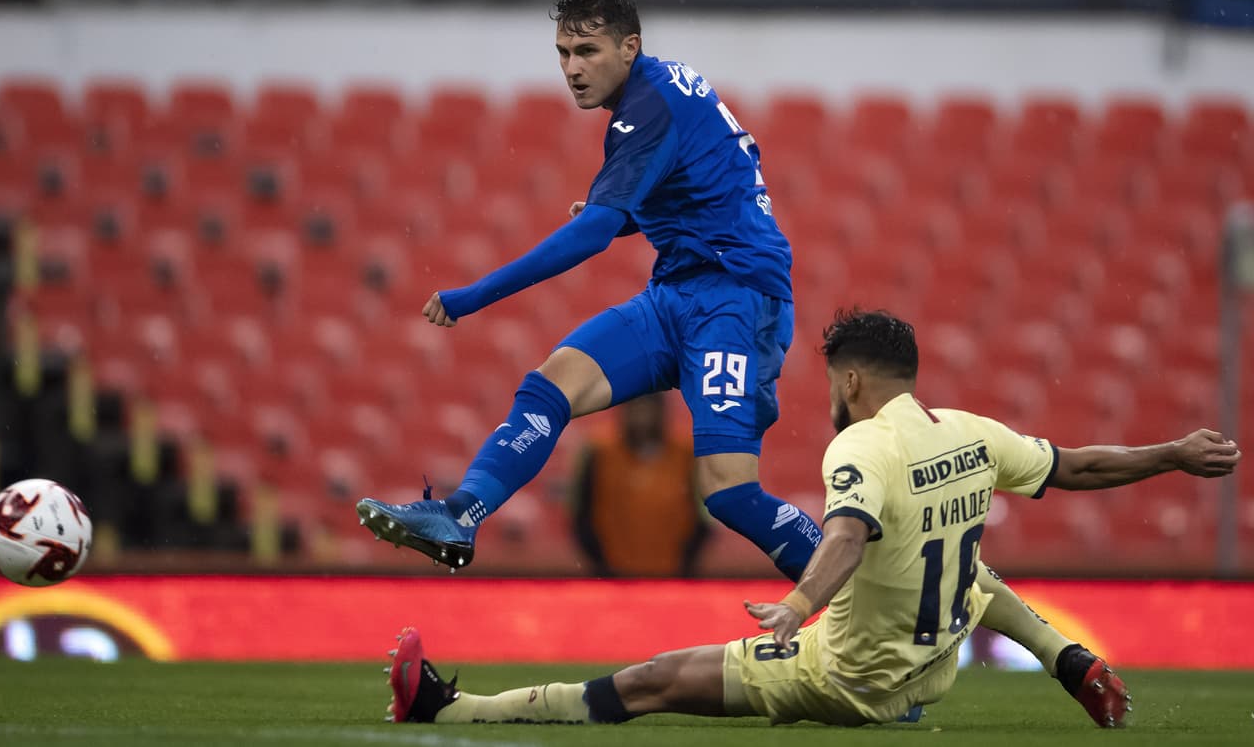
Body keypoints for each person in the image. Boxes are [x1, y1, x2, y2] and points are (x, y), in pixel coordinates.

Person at [379, 309, 1241, 728]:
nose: (828, 396)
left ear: (855, 380)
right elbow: (1079, 465)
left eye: (832, 381)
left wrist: (797, 608)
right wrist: (1172, 453)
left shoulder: (860, 449)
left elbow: (843, 535)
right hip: (931, 661)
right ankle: (1068, 657)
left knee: (654, 680)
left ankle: (450, 714)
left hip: (847, 674)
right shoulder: (974, 434)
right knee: (959, 559)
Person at [357, 0, 824, 579]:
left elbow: (591, 236)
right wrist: (620, 215)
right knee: (550, 386)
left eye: (588, 52)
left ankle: (870, 585)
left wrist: (472, 297)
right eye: (563, 54)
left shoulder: (646, 110)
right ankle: (460, 514)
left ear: (629, 47)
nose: (573, 69)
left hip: (735, 299)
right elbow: (707, 187)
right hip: (679, 291)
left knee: (728, 493)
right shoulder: (661, 88)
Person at [573, 392, 710, 577]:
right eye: (635, 408)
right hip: (613, 573)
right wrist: (601, 563)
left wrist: (686, 563)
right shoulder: (599, 452)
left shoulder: (685, 454)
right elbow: (580, 512)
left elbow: (704, 516)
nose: (642, 416)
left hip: (672, 574)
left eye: (647, 407)